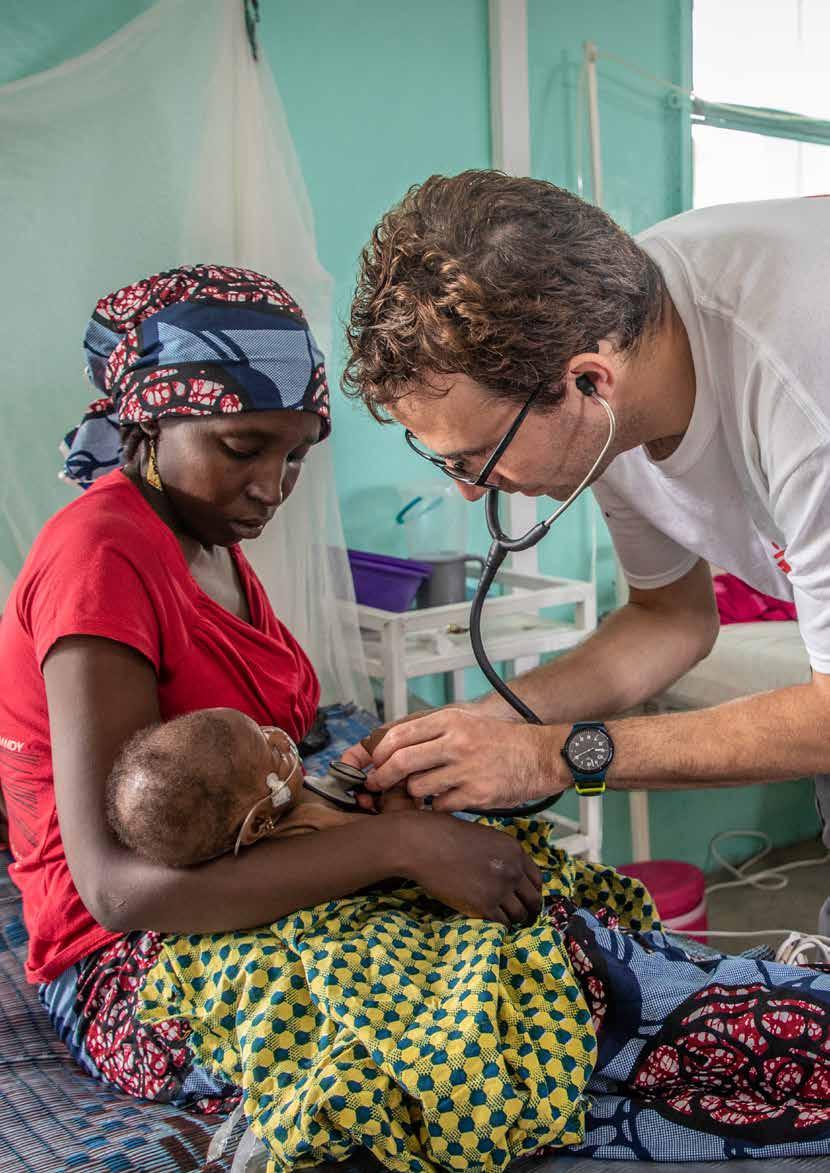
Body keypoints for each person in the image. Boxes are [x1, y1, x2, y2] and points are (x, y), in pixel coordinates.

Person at [0, 263, 542, 1111]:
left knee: (516, 933)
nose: (272, 487)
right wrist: (395, 848)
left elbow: (235, 773)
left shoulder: (211, 543)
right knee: (452, 1024)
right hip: (130, 956)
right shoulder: (101, 557)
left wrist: (345, 782)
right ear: (151, 417)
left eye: (294, 455)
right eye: (242, 448)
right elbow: (114, 889)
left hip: (240, 879)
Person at [341, 171, 830, 933]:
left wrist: (554, 755)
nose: (472, 491)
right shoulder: (618, 353)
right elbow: (671, 618)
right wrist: (488, 723)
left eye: (477, 456)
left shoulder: (802, 390)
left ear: (586, 385)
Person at [106, 707, 411, 867]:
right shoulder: (311, 826)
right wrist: (398, 792)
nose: (280, 737)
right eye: (274, 753)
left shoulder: (268, 807)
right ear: (257, 824)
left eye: (262, 730)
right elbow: (397, 833)